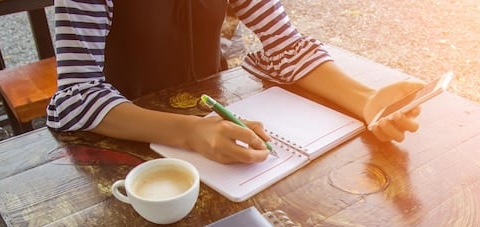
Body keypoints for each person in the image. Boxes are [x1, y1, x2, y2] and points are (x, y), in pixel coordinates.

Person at [47, 0, 424, 164]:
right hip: (128, 143)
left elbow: (286, 45)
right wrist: (191, 133)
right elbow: (79, 95)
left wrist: (367, 99)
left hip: (219, 128)